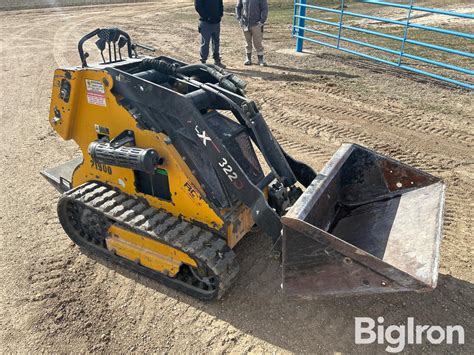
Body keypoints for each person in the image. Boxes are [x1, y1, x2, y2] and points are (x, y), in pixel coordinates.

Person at [235, 0, 268, 66]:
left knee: (257, 42)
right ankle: (248, 59)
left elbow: (265, 8)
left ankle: (261, 60)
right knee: (247, 42)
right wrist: (239, 18)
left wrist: (262, 21)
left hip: (256, 24)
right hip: (245, 24)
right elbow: (238, 7)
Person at [195, 0, 226, 68]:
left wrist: (220, 14)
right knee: (205, 43)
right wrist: (207, 17)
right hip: (205, 22)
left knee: (216, 42)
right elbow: (198, 7)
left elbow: (220, 4)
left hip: (216, 22)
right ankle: (203, 61)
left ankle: (217, 61)